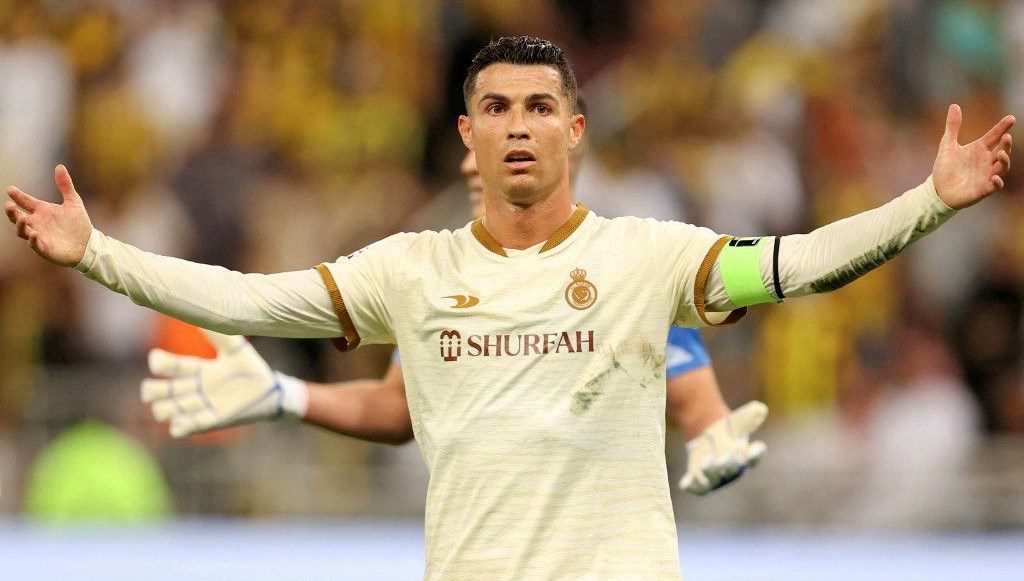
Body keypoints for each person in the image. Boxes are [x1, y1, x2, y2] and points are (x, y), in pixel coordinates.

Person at [4, 35, 1013, 580]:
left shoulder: (647, 256)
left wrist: (928, 201)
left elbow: (798, 265)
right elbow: (249, 298)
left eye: (539, 107)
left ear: (575, 131)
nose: (518, 126)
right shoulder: (409, 270)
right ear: (466, 136)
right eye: (496, 107)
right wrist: (97, 254)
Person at [141, 146, 761, 496]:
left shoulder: (617, 273)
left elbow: (695, 398)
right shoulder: (446, 283)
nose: (474, 174)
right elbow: (396, 409)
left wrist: (714, 436)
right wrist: (286, 395)